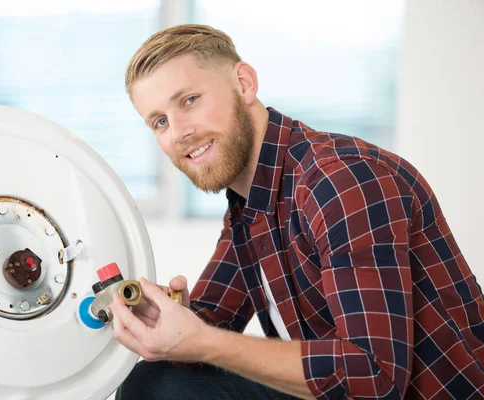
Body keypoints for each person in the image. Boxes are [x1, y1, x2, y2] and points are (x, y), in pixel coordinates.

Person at [109, 24, 484, 400]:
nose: (178, 133)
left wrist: (203, 341)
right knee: (156, 381)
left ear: (244, 83)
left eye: (189, 100)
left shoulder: (340, 181)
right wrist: (168, 319)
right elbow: (206, 325)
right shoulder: (250, 205)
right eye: (159, 121)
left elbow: (375, 379)